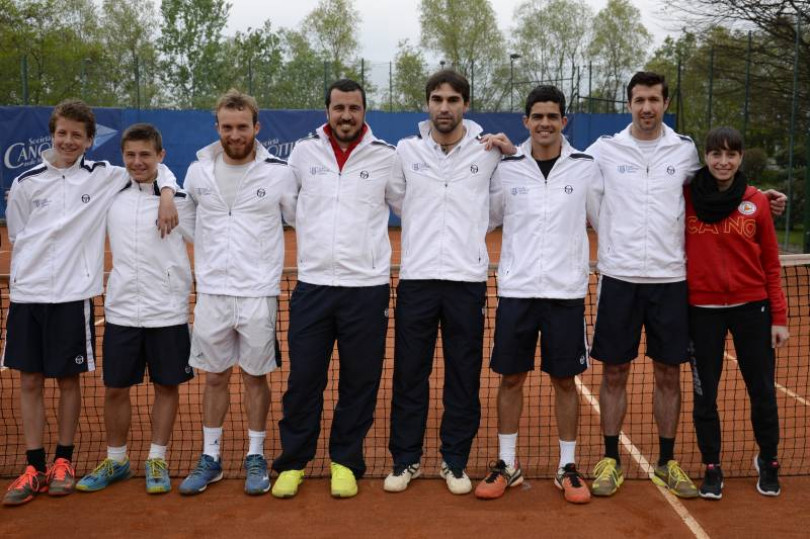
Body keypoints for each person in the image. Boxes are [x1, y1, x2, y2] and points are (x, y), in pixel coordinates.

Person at [586, 72, 785, 499]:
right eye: (639, 100)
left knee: (668, 374)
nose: (646, 108)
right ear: (629, 104)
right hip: (619, 278)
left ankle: (667, 461)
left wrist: (760, 197)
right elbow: (566, 175)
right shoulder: (604, 149)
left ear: (665, 102)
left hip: (671, 282)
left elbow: (719, 186)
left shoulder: (686, 150)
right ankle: (610, 459)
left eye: (654, 99)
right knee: (615, 371)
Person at [2, 100, 178, 507]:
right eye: (62, 133)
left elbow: (153, 165)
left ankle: (63, 461)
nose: (68, 140)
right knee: (29, 381)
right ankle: (33, 466)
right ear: (52, 135)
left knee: (68, 381)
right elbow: (18, 233)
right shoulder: (27, 182)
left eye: (76, 135)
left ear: (89, 141)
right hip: (28, 296)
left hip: (73, 297)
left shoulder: (104, 176)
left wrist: (167, 191)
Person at [384, 70, 514, 495]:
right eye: (437, 99)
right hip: (418, 279)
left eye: (453, 99)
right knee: (409, 375)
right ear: (427, 105)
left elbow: (497, 210)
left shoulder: (490, 152)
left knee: (463, 376)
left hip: (467, 281)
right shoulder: (405, 151)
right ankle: (405, 460)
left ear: (465, 104)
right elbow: (401, 202)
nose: (445, 107)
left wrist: (465, 233)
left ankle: (454, 461)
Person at [271, 79, 399, 499]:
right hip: (313, 288)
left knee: (359, 382)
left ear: (365, 111)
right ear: (326, 109)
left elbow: (410, 204)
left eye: (354, 108)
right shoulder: (304, 155)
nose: (346, 115)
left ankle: (345, 460)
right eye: (339, 107)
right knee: (304, 380)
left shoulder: (386, 157)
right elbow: (287, 205)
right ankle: (293, 462)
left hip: (366, 289)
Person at [474, 85, 601, 504]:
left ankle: (568, 467)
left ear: (564, 121)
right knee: (511, 379)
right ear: (525, 121)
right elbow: (484, 218)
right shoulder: (507, 168)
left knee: (566, 381)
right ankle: (507, 463)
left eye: (553, 116)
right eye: (537, 116)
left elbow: (607, 219)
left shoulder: (585, 168)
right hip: (517, 292)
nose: (545, 123)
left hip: (565, 294)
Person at [178, 89, 297, 496]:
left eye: (242, 126)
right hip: (212, 291)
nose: (235, 133)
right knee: (214, 377)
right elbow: (188, 218)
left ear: (256, 127)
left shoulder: (279, 171)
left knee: (254, 377)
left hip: (258, 293)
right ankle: (211, 458)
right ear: (218, 128)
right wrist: (213, 252)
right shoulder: (198, 172)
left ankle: (255, 455)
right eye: (227, 127)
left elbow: (299, 216)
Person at [75, 124, 196, 495]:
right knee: (115, 388)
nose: (138, 161)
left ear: (161, 156)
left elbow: (208, 238)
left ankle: (157, 458)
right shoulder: (110, 193)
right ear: (122, 157)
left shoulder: (183, 201)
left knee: (166, 386)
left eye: (146, 154)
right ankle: (117, 459)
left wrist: (167, 193)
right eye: (131, 155)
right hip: (123, 310)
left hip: (168, 311)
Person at [686, 126, 788, 500]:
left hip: (753, 310)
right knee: (705, 396)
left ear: (740, 158)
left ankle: (769, 460)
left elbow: (772, 263)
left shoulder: (757, 201)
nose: (723, 162)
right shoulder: (687, 196)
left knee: (762, 391)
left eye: (731, 155)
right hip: (702, 312)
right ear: (706, 157)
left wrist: (778, 317)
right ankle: (712, 466)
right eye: (716, 154)